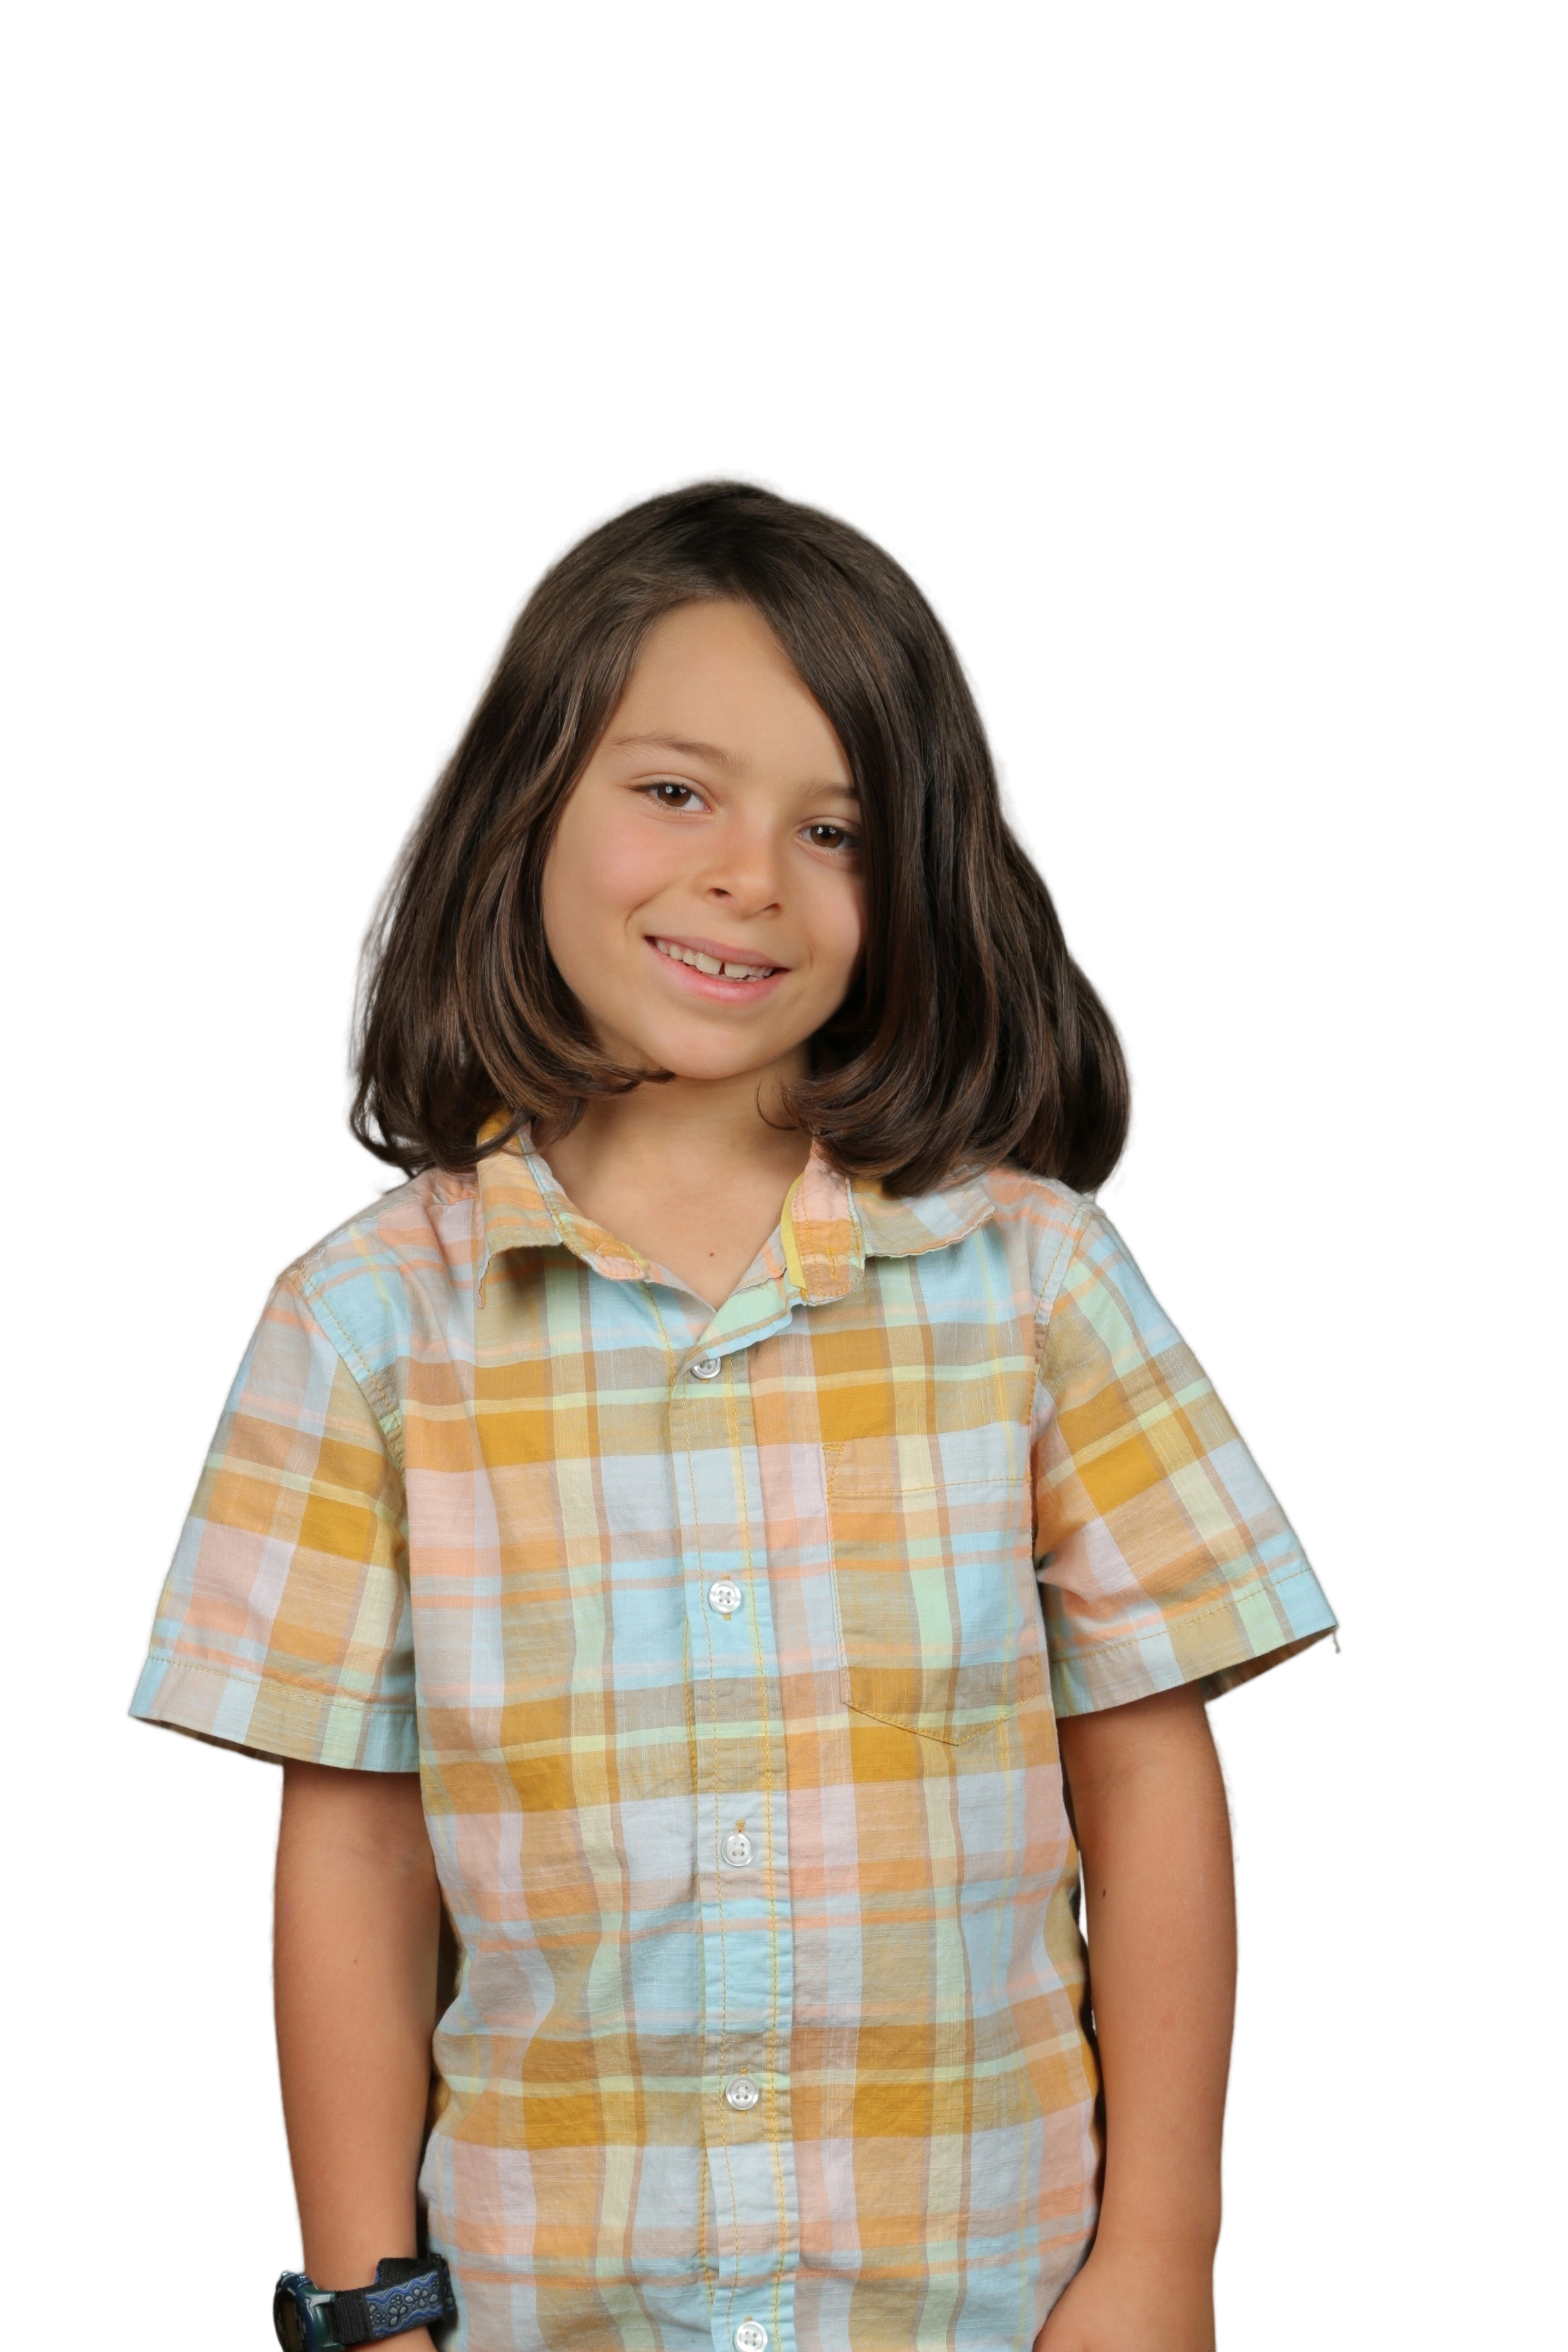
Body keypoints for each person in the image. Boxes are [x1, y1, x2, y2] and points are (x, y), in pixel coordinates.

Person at [125, 464, 1343, 2352]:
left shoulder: (1037, 1283)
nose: (749, 876)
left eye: (835, 827)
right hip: (548, 2303)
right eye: (677, 791)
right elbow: (353, 1840)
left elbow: (1152, 1768)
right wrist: (373, 2309)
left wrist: (1163, 2257)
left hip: (989, 2299)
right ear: (524, 797)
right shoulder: (365, 1325)